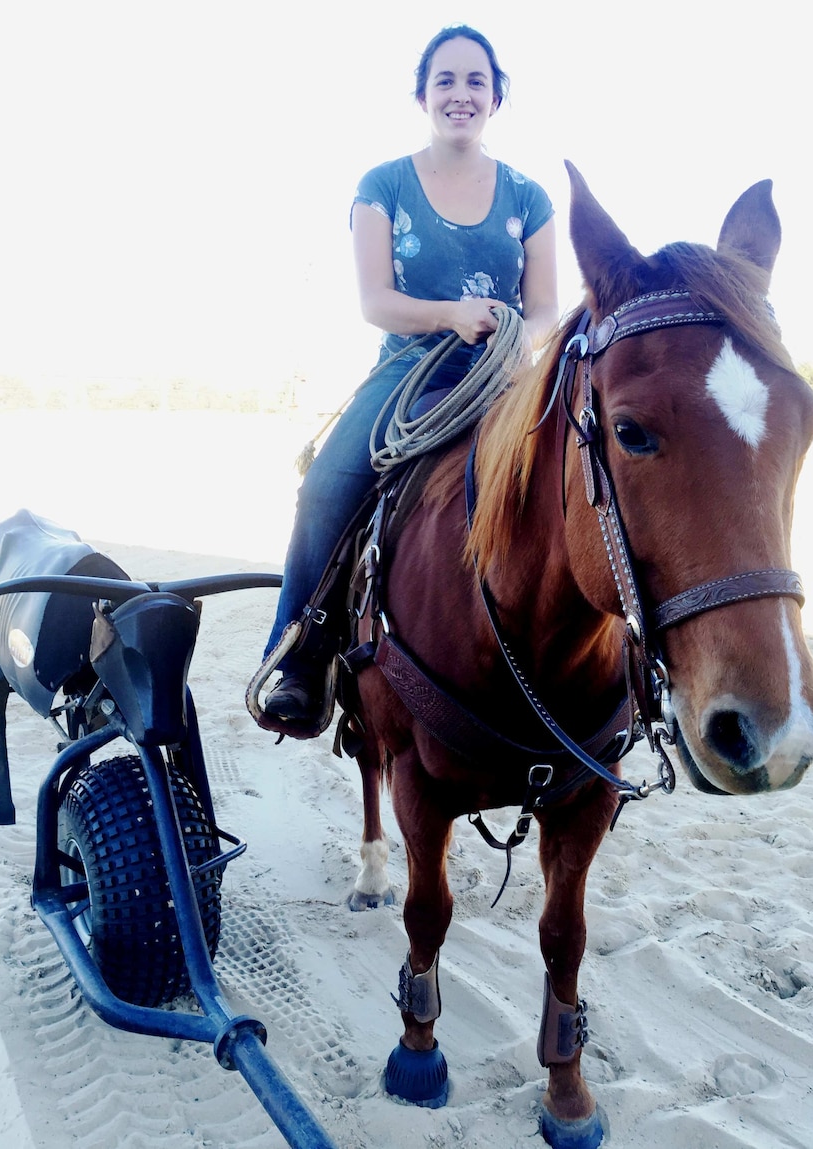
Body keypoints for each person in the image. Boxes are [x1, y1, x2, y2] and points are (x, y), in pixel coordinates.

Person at [261, 24, 558, 728]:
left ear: (497, 97)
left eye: (476, 81)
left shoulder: (529, 195)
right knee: (325, 486)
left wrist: (521, 341)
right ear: (422, 94)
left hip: (502, 381)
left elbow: (545, 308)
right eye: (446, 80)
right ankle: (297, 655)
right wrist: (452, 314)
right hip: (406, 376)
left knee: (581, 479)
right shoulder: (383, 184)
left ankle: (624, 661)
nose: (461, 93)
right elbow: (375, 302)